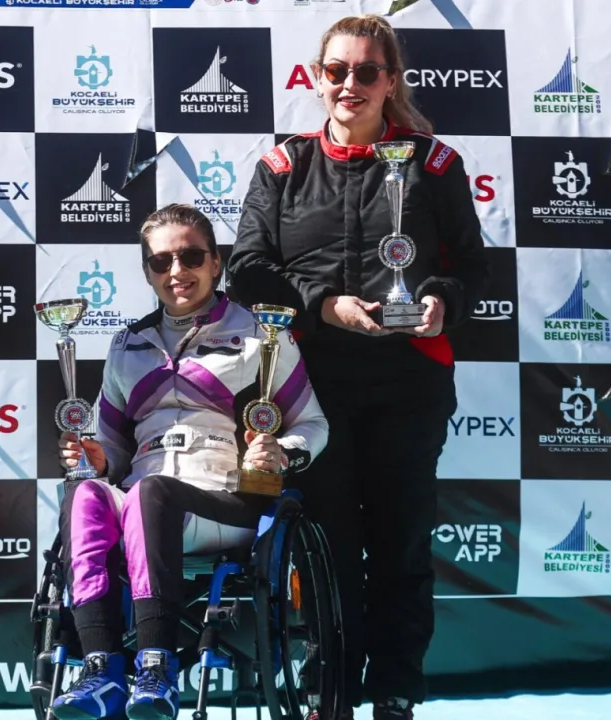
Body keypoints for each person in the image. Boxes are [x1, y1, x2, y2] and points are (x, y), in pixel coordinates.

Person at [225, 14, 490, 720]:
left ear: (390, 81)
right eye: (337, 71)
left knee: (401, 543)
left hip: (409, 381)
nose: (351, 84)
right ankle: (331, 688)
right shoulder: (283, 167)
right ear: (316, 79)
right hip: (311, 385)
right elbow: (246, 270)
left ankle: (396, 691)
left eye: (367, 71)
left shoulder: (435, 165)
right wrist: (324, 306)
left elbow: (475, 268)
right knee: (325, 544)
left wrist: (441, 300)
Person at [48, 204, 329, 720]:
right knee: (86, 492)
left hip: (226, 502)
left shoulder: (262, 334)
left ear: (216, 262)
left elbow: (313, 424)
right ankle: (101, 668)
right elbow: (113, 450)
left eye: (191, 257)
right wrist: (98, 460)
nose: (176, 271)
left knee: (151, 492)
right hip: (144, 499)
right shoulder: (127, 344)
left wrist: (281, 452)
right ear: (147, 272)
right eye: (161, 262)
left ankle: (156, 668)